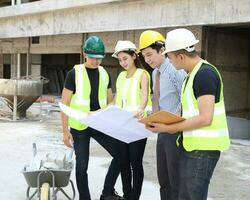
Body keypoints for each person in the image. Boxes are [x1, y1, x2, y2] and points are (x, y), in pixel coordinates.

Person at [146, 28, 230, 200]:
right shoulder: (192, 75)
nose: (170, 62)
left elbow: (206, 118)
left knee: (192, 196)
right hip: (192, 147)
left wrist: (169, 128)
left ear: (181, 56)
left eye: (170, 57)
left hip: (203, 150)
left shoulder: (204, 74)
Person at [61, 36, 125, 200]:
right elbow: (65, 104)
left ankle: (107, 192)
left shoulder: (104, 74)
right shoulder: (74, 73)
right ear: (84, 54)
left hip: (99, 123)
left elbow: (111, 101)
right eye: (92, 58)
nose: (96, 62)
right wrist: (65, 132)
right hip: (80, 125)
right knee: (82, 166)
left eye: (99, 58)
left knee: (121, 155)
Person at [100, 40, 152, 200]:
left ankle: (134, 197)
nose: (122, 62)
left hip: (137, 125)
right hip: (122, 125)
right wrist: (99, 112)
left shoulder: (143, 74)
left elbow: (144, 95)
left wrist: (141, 109)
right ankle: (127, 195)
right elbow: (117, 100)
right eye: (120, 59)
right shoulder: (121, 76)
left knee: (135, 163)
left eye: (125, 58)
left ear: (134, 56)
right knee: (123, 162)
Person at [139, 30, 186, 200]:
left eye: (150, 54)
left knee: (175, 179)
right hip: (161, 131)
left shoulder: (175, 70)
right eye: (144, 56)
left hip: (174, 131)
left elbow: (185, 98)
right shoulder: (155, 72)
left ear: (162, 50)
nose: (147, 60)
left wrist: (176, 124)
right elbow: (158, 98)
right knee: (163, 179)